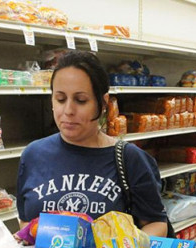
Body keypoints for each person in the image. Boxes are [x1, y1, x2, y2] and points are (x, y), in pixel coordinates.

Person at [16, 50, 168, 237]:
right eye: (60, 99)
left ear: (103, 103)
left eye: (81, 100)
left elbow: (156, 223)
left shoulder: (130, 159)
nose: (68, 110)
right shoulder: (33, 155)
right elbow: (25, 220)